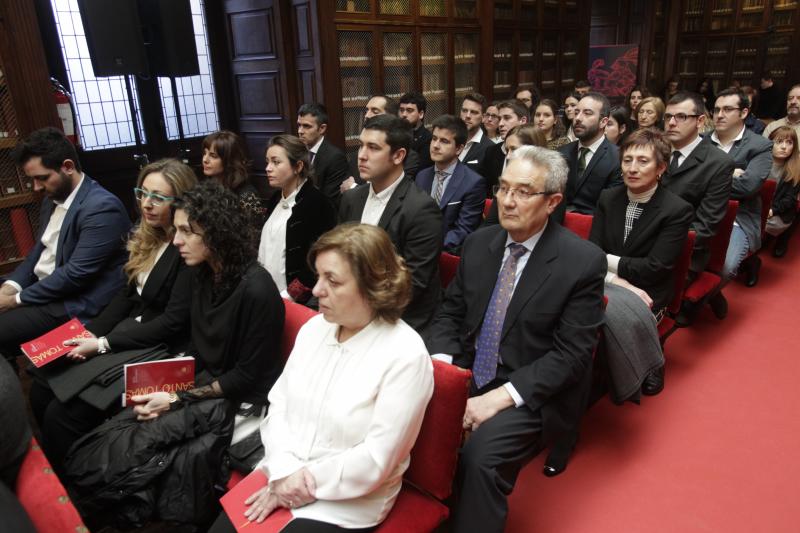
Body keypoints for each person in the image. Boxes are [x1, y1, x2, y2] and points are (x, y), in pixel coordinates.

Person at [64, 181, 286, 528]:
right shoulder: (203, 274)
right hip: (206, 384)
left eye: (186, 231)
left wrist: (176, 397)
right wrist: (163, 385)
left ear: (216, 233)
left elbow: (246, 378)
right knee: (116, 430)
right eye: (177, 229)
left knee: (135, 450)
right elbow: (198, 349)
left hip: (243, 401)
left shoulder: (257, 289)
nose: (176, 240)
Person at [209, 223, 434, 533]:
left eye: (333, 281)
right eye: (318, 277)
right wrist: (284, 472)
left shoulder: (406, 355)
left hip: (348, 500)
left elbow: (376, 459)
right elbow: (279, 406)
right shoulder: (315, 329)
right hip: (282, 471)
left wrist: (304, 483)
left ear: (374, 284)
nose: (316, 291)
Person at [427, 145, 606, 532]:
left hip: (529, 387)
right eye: (503, 188)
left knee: (479, 458)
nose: (507, 201)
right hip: (468, 369)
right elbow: (450, 314)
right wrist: (442, 371)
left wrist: (496, 399)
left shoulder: (581, 262)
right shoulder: (479, 244)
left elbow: (571, 356)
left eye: (523, 192)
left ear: (552, 201)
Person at [28, 158, 197, 471]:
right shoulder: (147, 233)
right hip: (132, 332)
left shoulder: (189, 246)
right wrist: (90, 333)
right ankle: (62, 476)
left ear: (181, 201)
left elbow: (173, 322)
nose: (147, 204)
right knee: (41, 386)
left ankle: (80, 488)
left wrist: (104, 343)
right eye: (143, 193)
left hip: (164, 349)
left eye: (158, 197)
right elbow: (126, 294)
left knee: (61, 416)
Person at [0, 127, 130, 368]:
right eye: (32, 179)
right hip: (44, 290)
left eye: (42, 177)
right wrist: (9, 288)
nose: (36, 187)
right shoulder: (53, 199)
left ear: (68, 166)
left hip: (71, 303)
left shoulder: (102, 207)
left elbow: (75, 275)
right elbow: (36, 256)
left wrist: (15, 300)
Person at [589, 129, 694, 398]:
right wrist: (616, 280)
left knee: (600, 320)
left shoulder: (676, 210)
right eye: (627, 160)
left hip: (649, 292)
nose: (632, 168)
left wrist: (607, 261)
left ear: (661, 168)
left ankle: (651, 359)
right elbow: (591, 254)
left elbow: (654, 269)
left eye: (643, 161)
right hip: (606, 281)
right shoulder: (607, 198)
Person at [339, 114, 442, 334]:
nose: (362, 156)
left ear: (398, 156)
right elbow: (341, 257)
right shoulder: (351, 199)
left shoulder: (421, 210)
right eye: (361, 146)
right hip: (352, 308)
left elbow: (413, 285)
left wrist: (360, 308)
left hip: (398, 319)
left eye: (373, 148)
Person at [662, 91, 734, 284]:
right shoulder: (656, 151)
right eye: (668, 116)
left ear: (700, 121)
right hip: (642, 241)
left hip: (685, 250)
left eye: (681, 117)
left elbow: (706, 226)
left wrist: (661, 244)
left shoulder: (718, 163)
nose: (671, 123)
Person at [709, 87, 773, 293]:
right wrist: (730, 174)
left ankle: (705, 298)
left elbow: (748, 187)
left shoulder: (760, 145)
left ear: (744, 113)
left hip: (738, 218)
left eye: (727, 109)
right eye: (716, 109)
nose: (719, 115)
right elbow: (682, 179)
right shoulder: (701, 141)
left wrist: (705, 178)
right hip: (699, 212)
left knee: (726, 268)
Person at [258, 135, 336, 302]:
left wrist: (289, 296)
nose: (268, 168)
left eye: (276, 162)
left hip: (298, 299)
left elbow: (319, 258)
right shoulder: (274, 199)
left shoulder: (316, 202)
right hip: (267, 293)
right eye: (267, 161)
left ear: (298, 166)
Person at [415, 115, 486, 253]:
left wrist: (429, 247)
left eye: (444, 141)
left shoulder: (473, 182)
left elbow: (463, 230)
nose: (435, 145)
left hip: (448, 252)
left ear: (459, 149)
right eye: (434, 139)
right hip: (418, 248)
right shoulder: (422, 176)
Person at [557, 92, 622, 218]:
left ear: (603, 122)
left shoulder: (617, 158)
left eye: (587, 113)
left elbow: (611, 206)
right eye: (576, 113)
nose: (578, 118)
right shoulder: (561, 153)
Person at [341, 94, 420, 192]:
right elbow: (344, 188)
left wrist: (353, 188)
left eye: (375, 111)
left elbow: (394, 192)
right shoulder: (358, 155)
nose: (367, 116)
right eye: (366, 111)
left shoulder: (409, 157)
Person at [202, 130, 267, 225]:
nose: (205, 159)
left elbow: (254, 233)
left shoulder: (246, 195)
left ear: (229, 160)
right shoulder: (206, 188)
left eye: (213, 156)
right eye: (204, 153)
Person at [296, 103, 349, 206]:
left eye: (306, 126)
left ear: (322, 129)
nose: (300, 131)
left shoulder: (335, 158)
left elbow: (328, 201)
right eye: (299, 125)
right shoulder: (296, 151)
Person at [476, 99, 529, 197]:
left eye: (507, 118)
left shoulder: (537, 154)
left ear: (523, 121)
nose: (500, 124)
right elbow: (481, 187)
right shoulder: (491, 152)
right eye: (499, 119)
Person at [765, 126, 800, 257]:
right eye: (779, 142)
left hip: (779, 211)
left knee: (765, 225)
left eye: (789, 143)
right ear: (770, 143)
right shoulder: (760, 162)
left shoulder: (796, 169)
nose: (784, 147)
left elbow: (789, 199)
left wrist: (772, 210)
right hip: (756, 207)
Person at [459, 92, 494, 173]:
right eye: (464, 110)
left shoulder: (490, 148)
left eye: (473, 112)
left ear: (483, 117)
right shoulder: (451, 140)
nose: (467, 116)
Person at [399, 91, 433, 170]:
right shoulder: (396, 134)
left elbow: (419, 171)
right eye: (401, 110)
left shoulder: (427, 139)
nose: (404, 114)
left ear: (421, 114)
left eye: (409, 110)